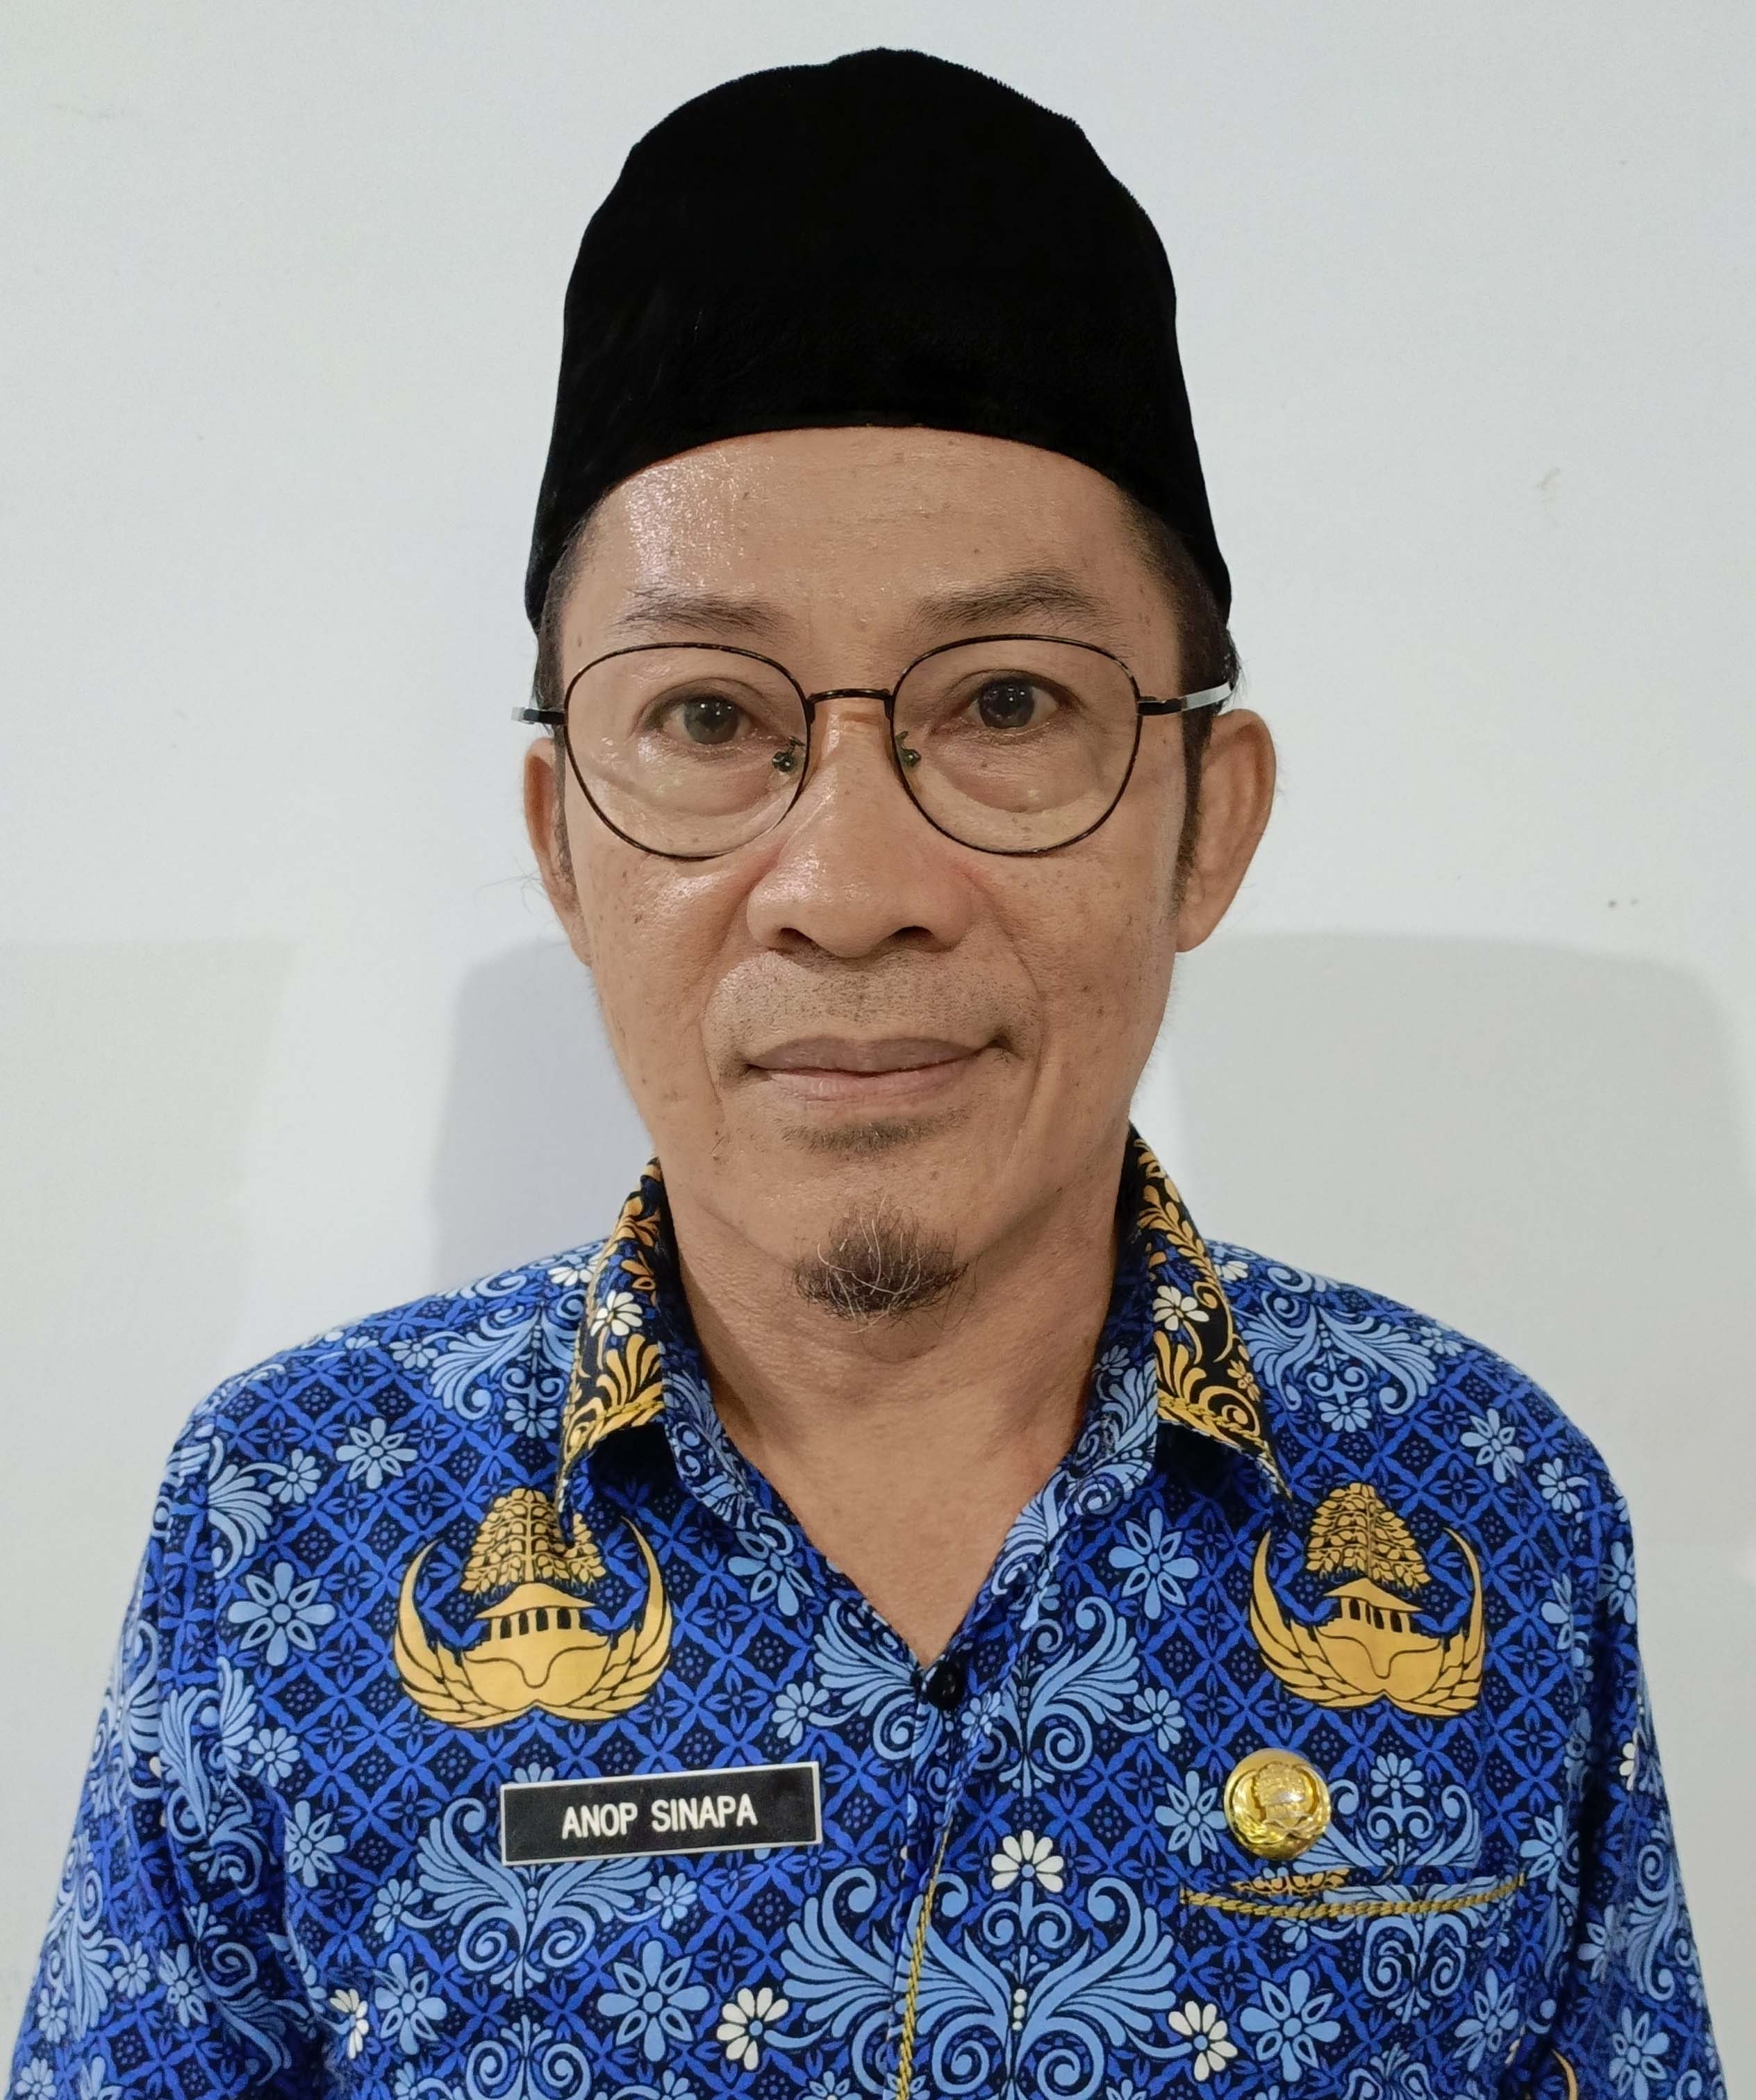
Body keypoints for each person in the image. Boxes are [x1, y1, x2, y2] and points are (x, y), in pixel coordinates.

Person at [11, 47, 1721, 2100]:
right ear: (562, 844)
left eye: (1005, 704)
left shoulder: (1488, 1516)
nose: (847, 889)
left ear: (1209, 820)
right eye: (707, 718)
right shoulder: (288, 1528)